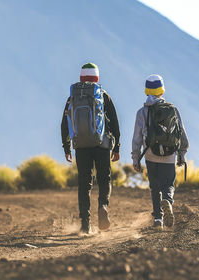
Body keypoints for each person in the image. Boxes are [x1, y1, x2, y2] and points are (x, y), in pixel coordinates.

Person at [61, 63, 120, 234]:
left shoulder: (72, 97)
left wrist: (66, 148)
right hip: (102, 144)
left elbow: (64, 124)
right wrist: (117, 148)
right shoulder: (102, 95)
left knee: (84, 183)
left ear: (81, 77)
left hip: (81, 145)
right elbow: (115, 123)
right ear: (97, 77)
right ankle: (103, 206)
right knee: (104, 179)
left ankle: (85, 224)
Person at [131, 74, 189, 230]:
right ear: (162, 91)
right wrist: (182, 154)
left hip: (150, 155)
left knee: (154, 187)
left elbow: (136, 138)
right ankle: (168, 201)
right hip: (170, 155)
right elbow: (181, 134)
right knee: (168, 184)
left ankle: (158, 220)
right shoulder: (173, 110)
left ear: (146, 91)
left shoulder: (142, 112)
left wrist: (135, 159)